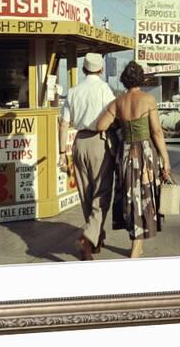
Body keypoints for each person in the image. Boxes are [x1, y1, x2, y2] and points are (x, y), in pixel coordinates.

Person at [97, 61, 171, 259]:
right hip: (145, 152)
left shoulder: (118, 102)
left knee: (131, 196)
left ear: (124, 80)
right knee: (144, 197)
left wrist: (119, 126)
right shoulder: (148, 100)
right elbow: (156, 131)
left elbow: (101, 125)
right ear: (142, 78)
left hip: (126, 152)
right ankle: (136, 247)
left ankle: (137, 242)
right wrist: (166, 160)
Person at [58, 53, 115, 261]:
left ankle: (95, 239)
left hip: (78, 142)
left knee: (85, 192)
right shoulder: (104, 89)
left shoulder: (73, 92)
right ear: (100, 69)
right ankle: (88, 237)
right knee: (102, 191)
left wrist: (62, 152)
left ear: (84, 69)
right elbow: (112, 116)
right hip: (99, 141)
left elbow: (64, 123)